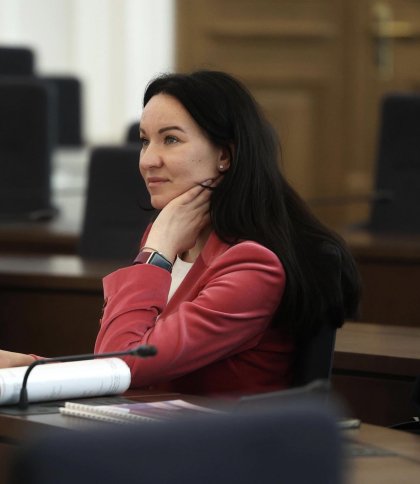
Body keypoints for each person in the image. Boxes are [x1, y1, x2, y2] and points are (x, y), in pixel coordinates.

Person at [0, 70, 360, 396]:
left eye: (170, 140)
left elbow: (122, 365)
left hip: (222, 444)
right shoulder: (168, 238)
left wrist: (155, 254)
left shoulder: (252, 266)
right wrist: (31, 369)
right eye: (145, 141)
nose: (147, 160)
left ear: (225, 155)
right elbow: (126, 367)